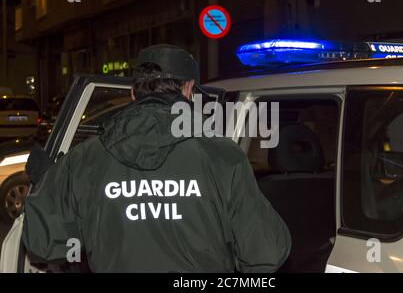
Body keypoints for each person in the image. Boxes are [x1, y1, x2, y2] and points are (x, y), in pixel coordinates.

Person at [22, 44, 291, 273]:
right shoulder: (222, 156)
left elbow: (44, 243)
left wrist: (49, 181)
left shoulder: (84, 159)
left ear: (132, 93)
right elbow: (266, 253)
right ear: (188, 90)